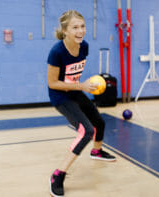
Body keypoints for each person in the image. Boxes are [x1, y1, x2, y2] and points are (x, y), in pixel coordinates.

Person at [47, 10, 116, 197]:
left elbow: (73, 74)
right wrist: (82, 86)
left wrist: (85, 86)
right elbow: (52, 83)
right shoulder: (56, 52)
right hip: (60, 96)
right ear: (65, 31)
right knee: (87, 131)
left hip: (75, 91)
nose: (80, 31)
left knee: (99, 122)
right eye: (75, 27)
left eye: (82, 26)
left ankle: (97, 151)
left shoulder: (84, 46)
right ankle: (58, 175)